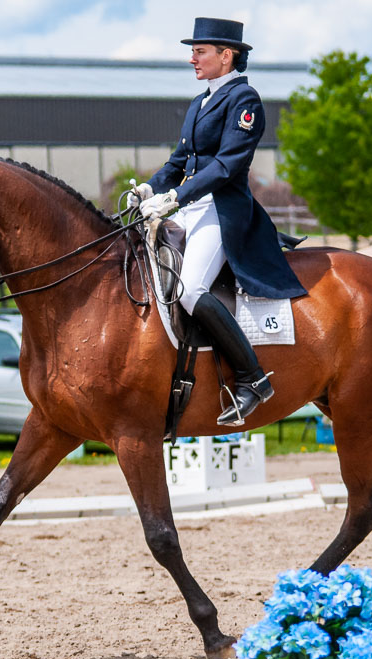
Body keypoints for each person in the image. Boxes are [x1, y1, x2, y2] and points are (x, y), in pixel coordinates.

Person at [132, 17, 307, 426]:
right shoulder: (199, 103)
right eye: (192, 51)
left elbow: (228, 164)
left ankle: (252, 378)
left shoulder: (245, 101)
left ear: (226, 56)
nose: (192, 58)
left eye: (200, 51)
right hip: (189, 207)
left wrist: (175, 197)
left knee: (190, 290)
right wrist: (150, 189)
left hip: (219, 209)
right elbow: (179, 162)